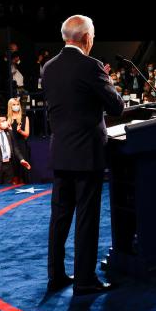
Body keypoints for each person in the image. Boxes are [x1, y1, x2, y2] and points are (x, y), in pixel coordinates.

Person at [42, 15, 125, 296]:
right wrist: (108, 82)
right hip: (87, 155)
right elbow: (116, 107)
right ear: (87, 38)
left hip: (61, 154)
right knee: (86, 218)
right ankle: (85, 280)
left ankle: (55, 276)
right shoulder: (91, 66)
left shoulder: (48, 67)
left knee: (60, 217)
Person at [0, 114, 31, 184]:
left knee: (8, 191)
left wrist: (22, 159)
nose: (6, 123)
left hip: (9, 166)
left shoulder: (9, 132)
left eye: (5, 120)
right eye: (3, 121)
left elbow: (15, 148)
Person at [6, 97, 31, 183]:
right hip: (10, 147)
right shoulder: (7, 120)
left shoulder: (25, 118)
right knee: (13, 172)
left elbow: (27, 134)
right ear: (10, 106)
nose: (16, 106)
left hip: (22, 146)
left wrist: (20, 131)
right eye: (14, 105)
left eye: (17, 104)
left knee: (23, 171)